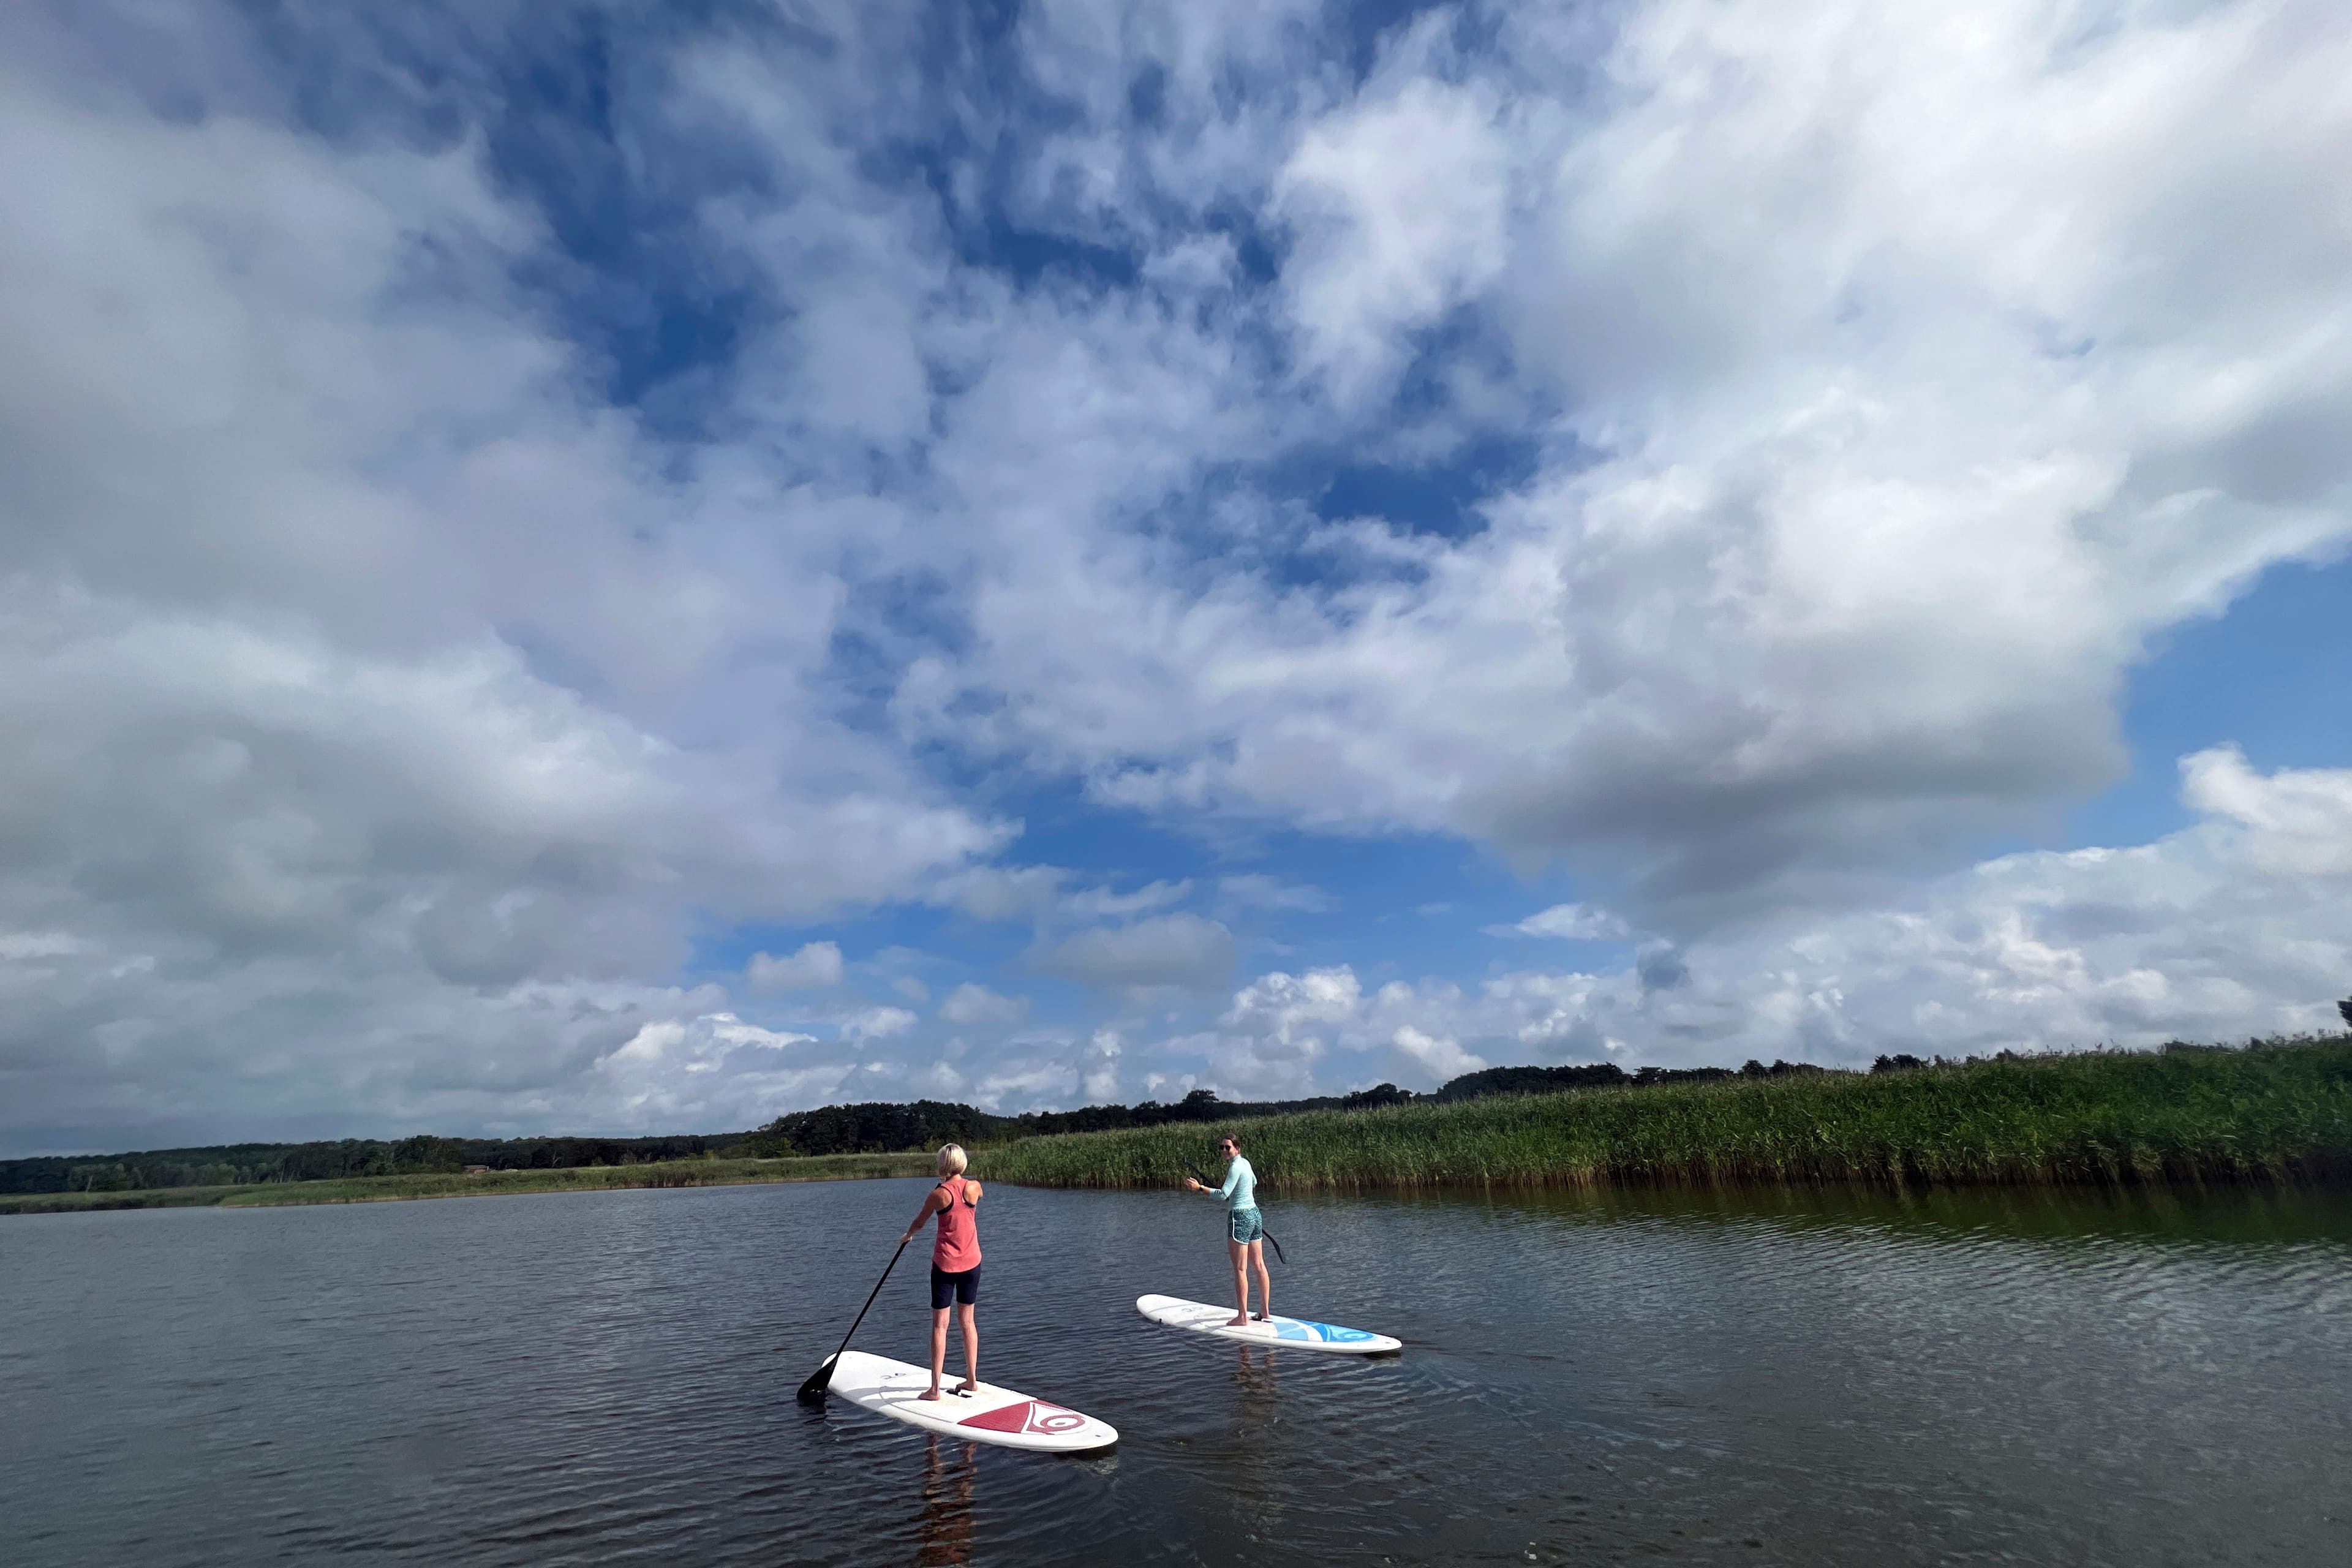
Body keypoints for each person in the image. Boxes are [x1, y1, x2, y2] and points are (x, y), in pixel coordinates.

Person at [900, 1144, 982, 1401]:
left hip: (945, 1266)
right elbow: (973, 1201)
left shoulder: (938, 1195)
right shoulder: (975, 1187)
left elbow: (920, 1221)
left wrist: (908, 1235)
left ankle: (935, 1390)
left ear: (941, 1165)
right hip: (972, 1264)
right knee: (968, 1322)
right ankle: (971, 1380)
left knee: (940, 1326)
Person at [1185, 1133, 1270, 1327]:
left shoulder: (1234, 1168)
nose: (1224, 1151)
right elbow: (1254, 1182)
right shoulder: (1246, 1163)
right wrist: (1240, 1193)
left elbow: (1223, 1195)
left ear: (1237, 1149)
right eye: (1222, 1147)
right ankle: (1265, 1311)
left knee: (1241, 1269)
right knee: (1259, 1265)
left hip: (1239, 1217)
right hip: (1255, 1214)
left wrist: (1200, 1188)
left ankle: (1242, 1317)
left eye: (1228, 1147)